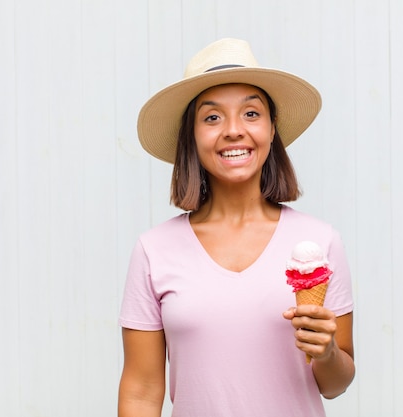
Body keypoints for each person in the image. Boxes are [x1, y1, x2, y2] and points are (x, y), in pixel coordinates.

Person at [118, 38, 355, 417]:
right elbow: (142, 391)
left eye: (251, 113)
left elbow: (336, 385)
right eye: (212, 117)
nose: (233, 130)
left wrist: (326, 352)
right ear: (191, 137)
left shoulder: (321, 242)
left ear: (272, 128)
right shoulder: (153, 250)